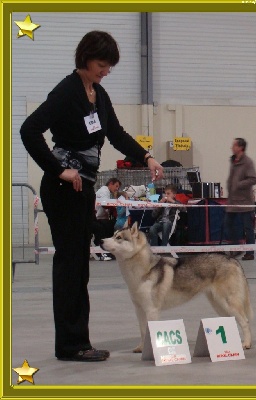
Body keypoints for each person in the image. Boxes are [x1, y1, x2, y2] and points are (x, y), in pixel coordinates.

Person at [20, 30, 163, 362]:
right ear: (85, 58)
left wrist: (148, 158)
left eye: (109, 66)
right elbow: (29, 130)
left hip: (81, 190)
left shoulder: (98, 95)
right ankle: (71, 346)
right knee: (69, 266)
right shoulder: (66, 91)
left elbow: (116, 134)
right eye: (102, 64)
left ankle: (77, 342)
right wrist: (58, 169)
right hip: (62, 189)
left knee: (79, 268)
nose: (105, 71)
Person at [225, 138, 256, 260]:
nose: (231, 147)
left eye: (233, 145)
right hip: (233, 201)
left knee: (248, 228)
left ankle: (250, 252)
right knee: (228, 224)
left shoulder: (248, 162)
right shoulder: (233, 161)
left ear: (240, 147)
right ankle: (236, 249)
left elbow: (253, 179)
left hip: (245, 202)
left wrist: (239, 184)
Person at [93, 177, 126, 260]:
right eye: (116, 186)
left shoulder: (107, 192)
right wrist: (115, 206)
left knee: (111, 225)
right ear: (110, 183)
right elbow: (105, 205)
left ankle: (109, 250)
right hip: (97, 218)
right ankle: (102, 250)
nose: (117, 189)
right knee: (110, 227)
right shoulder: (104, 190)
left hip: (102, 218)